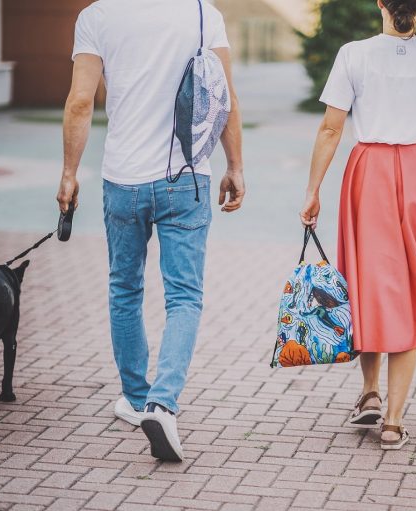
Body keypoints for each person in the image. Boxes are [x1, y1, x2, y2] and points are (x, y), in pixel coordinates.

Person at [56, 0, 245, 462]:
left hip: (123, 178)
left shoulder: (96, 17)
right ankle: (163, 403)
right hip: (187, 177)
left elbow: (81, 101)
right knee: (184, 295)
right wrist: (236, 165)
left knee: (125, 287)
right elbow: (225, 96)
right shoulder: (203, 13)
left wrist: (68, 172)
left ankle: (137, 399)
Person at [299, 0, 416, 450]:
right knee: (410, 290)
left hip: (367, 171)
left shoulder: (353, 53)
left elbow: (331, 129)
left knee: (368, 284)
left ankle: (369, 392)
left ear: (380, 4)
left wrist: (313, 189)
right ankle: (392, 420)